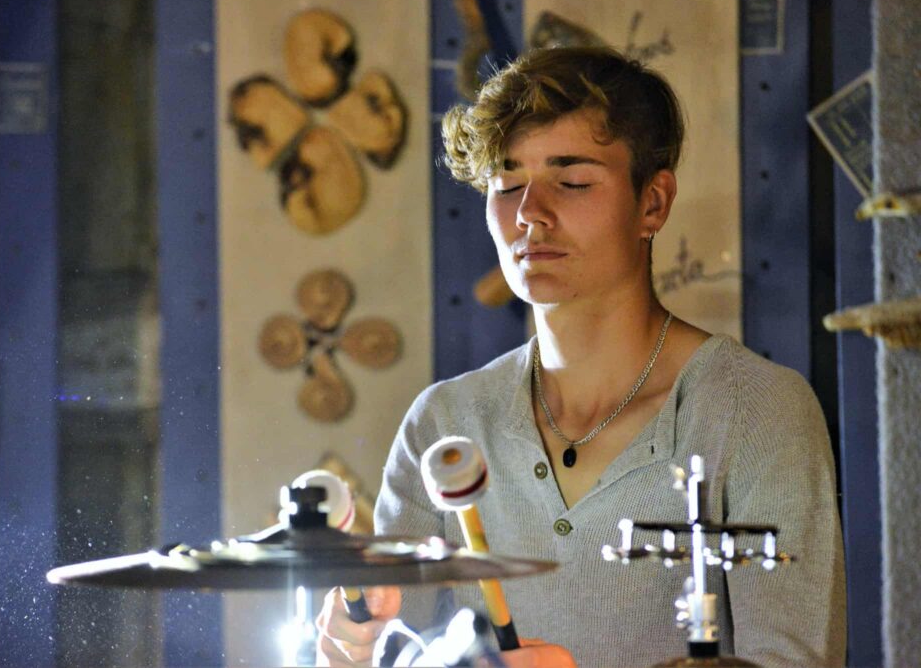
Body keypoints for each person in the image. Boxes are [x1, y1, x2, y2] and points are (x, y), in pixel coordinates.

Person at [317, 46, 846, 667]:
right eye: (507, 184)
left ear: (653, 203)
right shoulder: (445, 425)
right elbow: (389, 649)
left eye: (571, 182)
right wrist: (349, 644)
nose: (529, 215)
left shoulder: (757, 410)